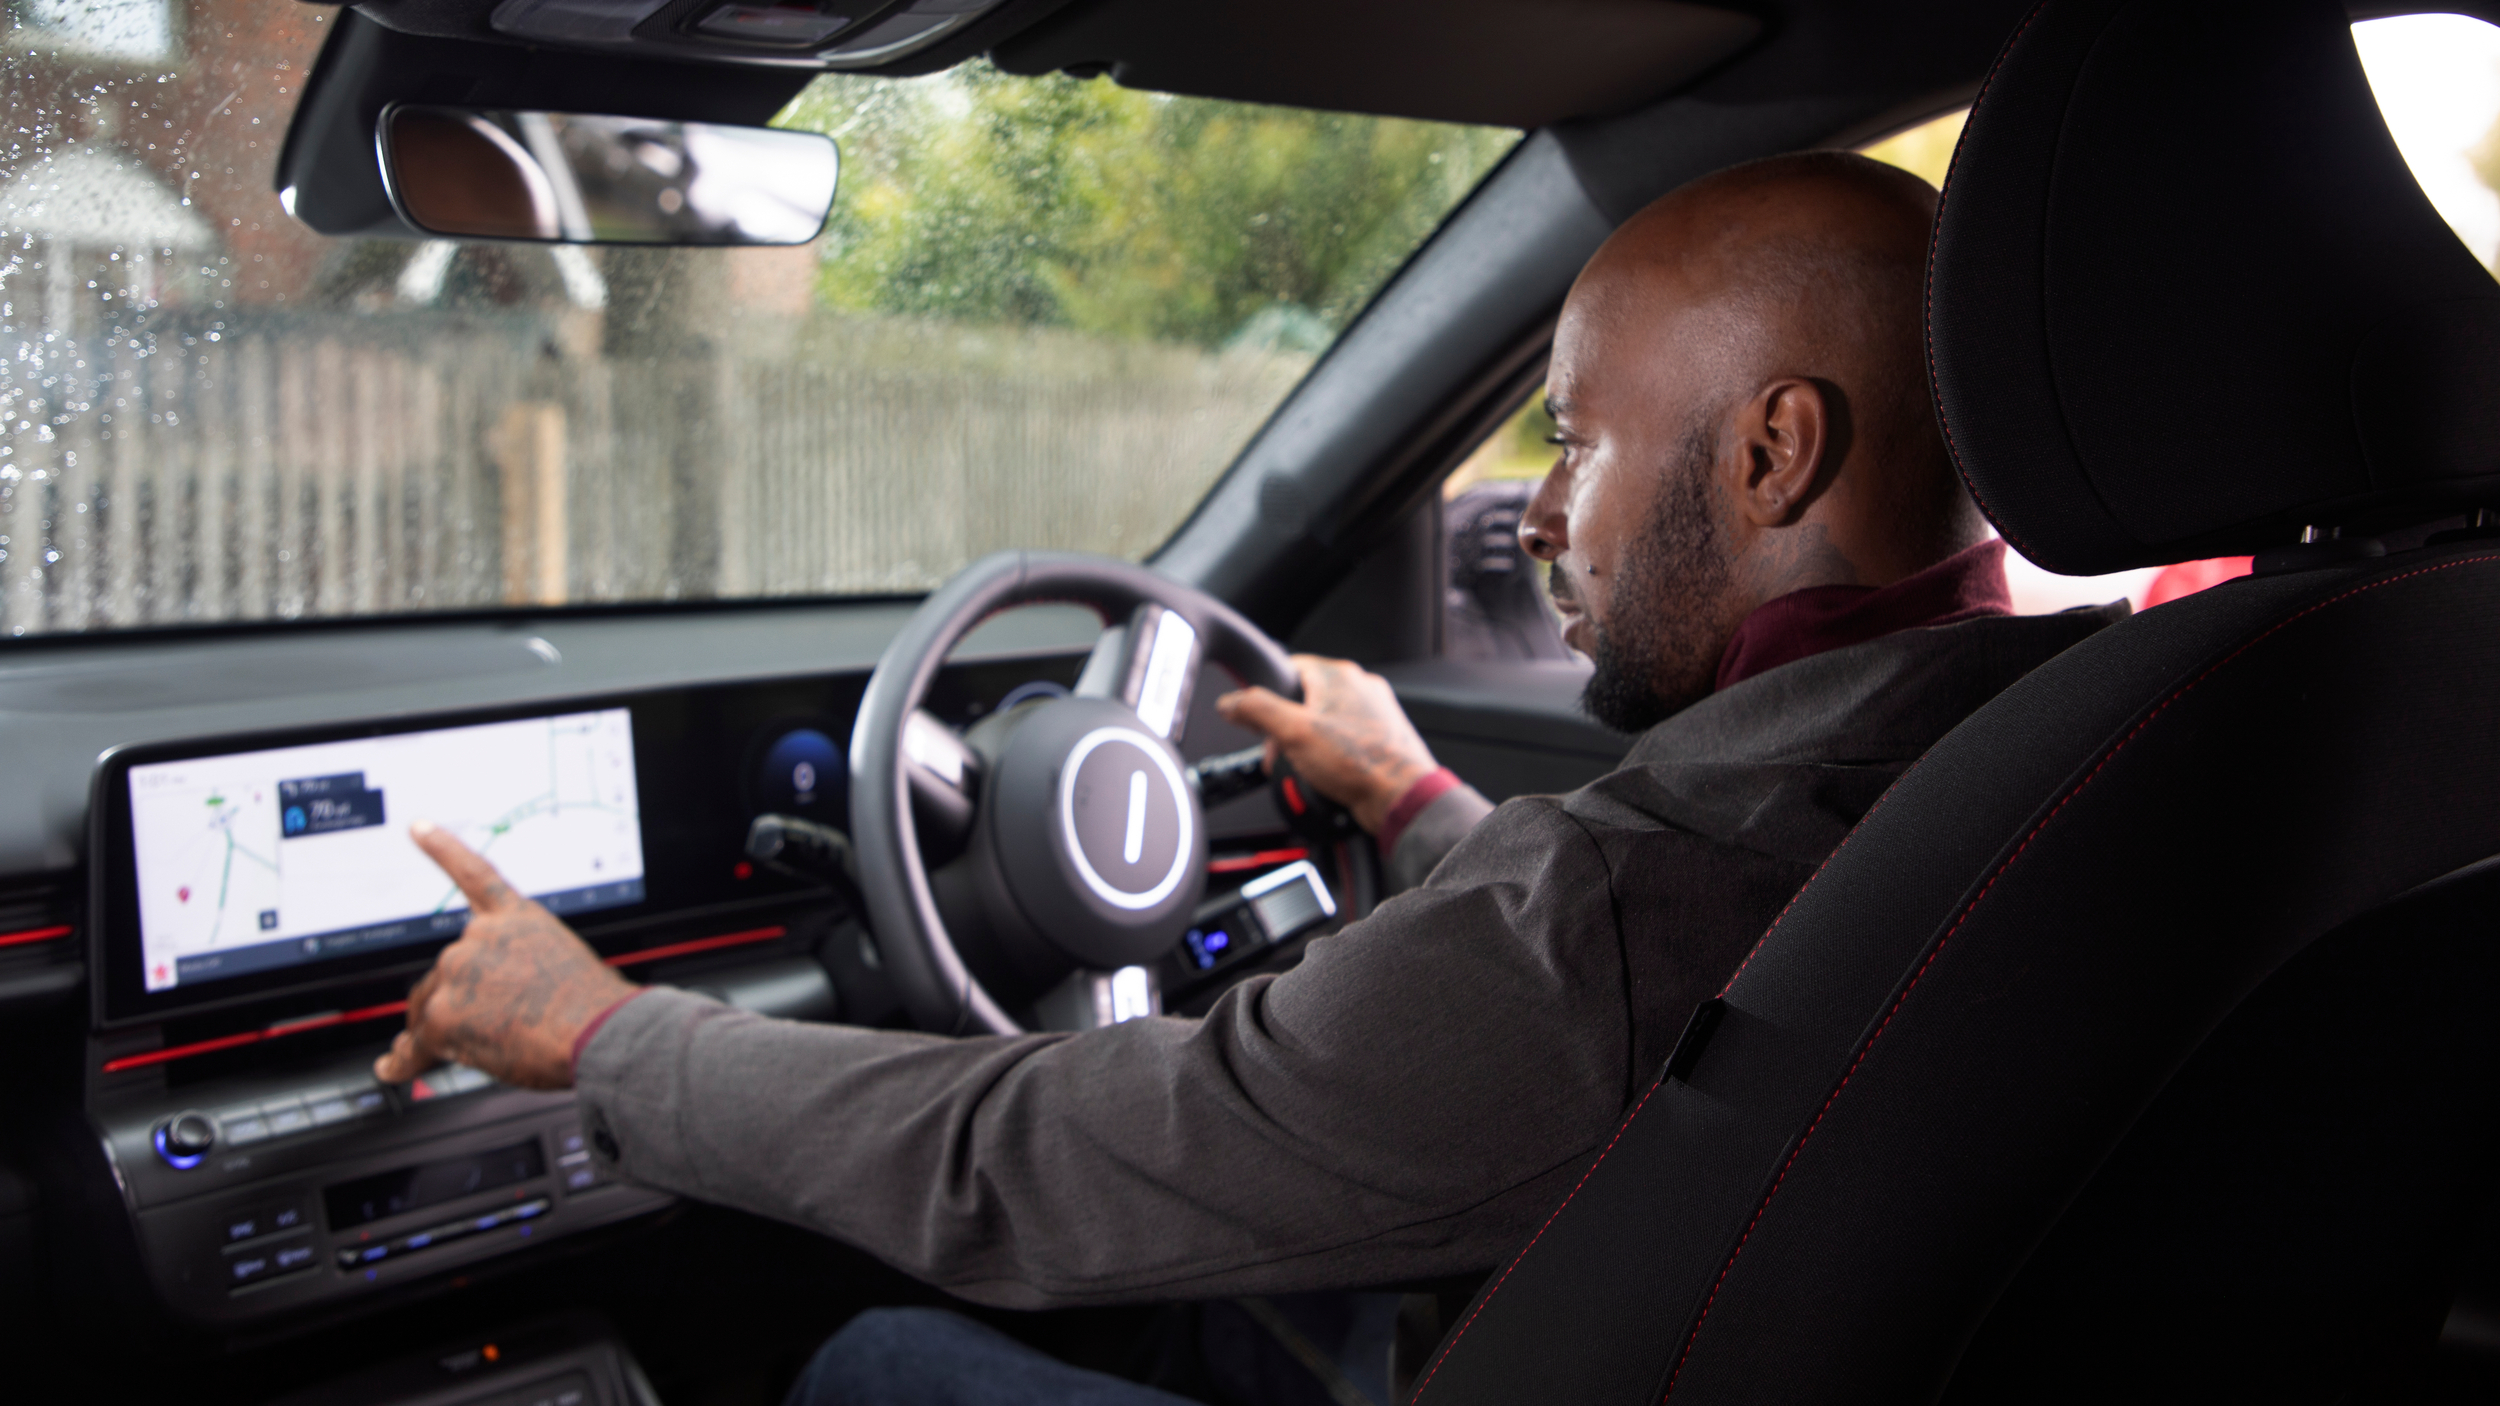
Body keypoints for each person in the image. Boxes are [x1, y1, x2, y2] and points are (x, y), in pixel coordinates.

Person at [373, 150, 2125, 1402]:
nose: (1534, 517)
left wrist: (607, 1034)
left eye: (1576, 443)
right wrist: (1417, 804)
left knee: (868, 1359)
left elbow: (1031, 1161)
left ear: (1771, 451)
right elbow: (1650, 957)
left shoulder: (1610, 911)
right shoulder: (2097, 725)